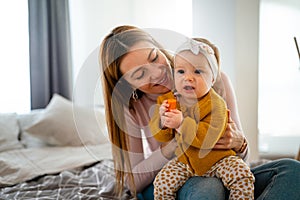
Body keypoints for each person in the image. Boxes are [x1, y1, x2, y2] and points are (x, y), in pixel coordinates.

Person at [99, 25, 300, 200]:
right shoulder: (130, 106)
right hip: (176, 176)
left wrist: (240, 143)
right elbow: (132, 183)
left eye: (154, 57)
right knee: (209, 188)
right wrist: (177, 142)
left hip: (218, 166)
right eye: (140, 74)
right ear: (126, 85)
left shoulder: (216, 81)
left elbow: (241, 162)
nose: (158, 73)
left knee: (292, 171)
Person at [149, 39, 255, 199]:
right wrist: (163, 123)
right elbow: (162, 136)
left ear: (212, 79)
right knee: (162, 182)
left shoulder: (216, 103)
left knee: (242, 176)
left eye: (198, 72)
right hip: (186, 162)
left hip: (219, 159)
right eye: (181, 72)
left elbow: (209, 137)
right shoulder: (169, 100)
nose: (188, 78)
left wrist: (182, 124)